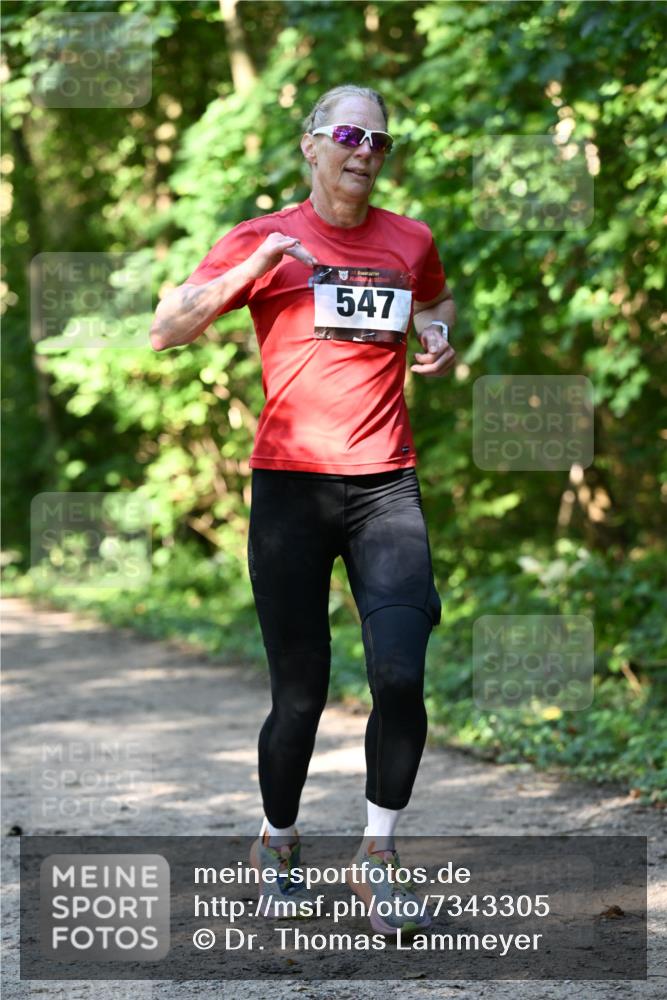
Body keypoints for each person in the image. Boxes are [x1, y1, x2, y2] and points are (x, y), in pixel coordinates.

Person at [149, 83, 457, 937]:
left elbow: (433, 296)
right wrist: (247, 275)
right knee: (300, 696)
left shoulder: (410, 239)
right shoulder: (262, 239)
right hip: (289, 489)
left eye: (381, 141)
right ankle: (277, 845)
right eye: (350, 134)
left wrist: (436, 334)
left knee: (399, 675)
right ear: (311, 145)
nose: (366, 150)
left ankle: (378, 858)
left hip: (385, 487)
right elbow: (165, 328)